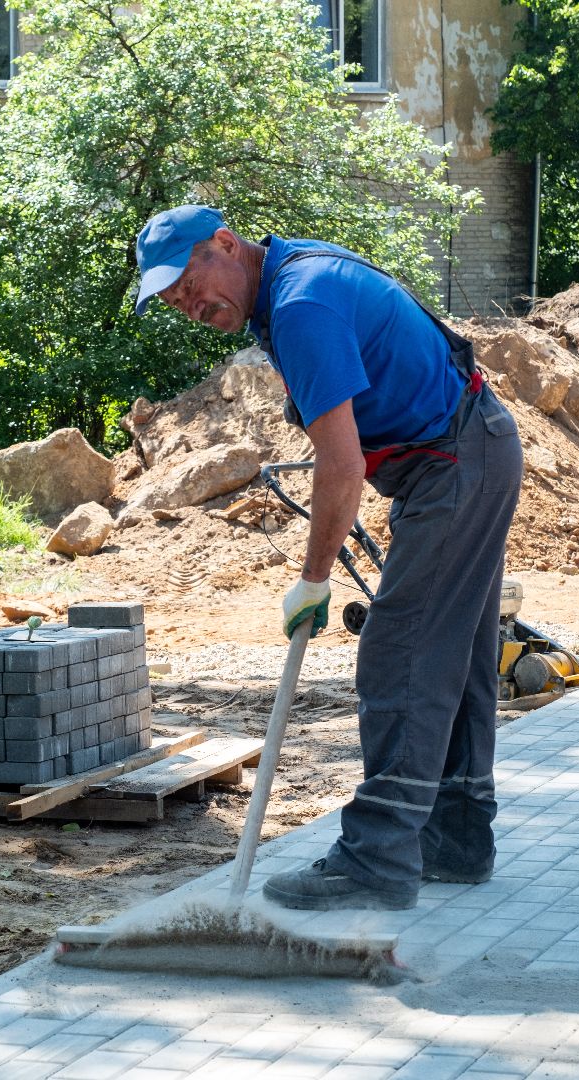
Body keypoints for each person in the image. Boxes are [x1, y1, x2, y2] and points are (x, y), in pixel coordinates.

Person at [133, 205, 523, 910]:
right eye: (173, 301)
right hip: (465, 452)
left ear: (225, 244)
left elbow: (340, 465)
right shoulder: (288, 280)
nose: (190, 306)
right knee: (454, 650)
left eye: (189, 284)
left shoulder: (300, 305)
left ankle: (377, 859)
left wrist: (314, 580)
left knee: (401, 652)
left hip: (455, 461)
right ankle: (457, 837)